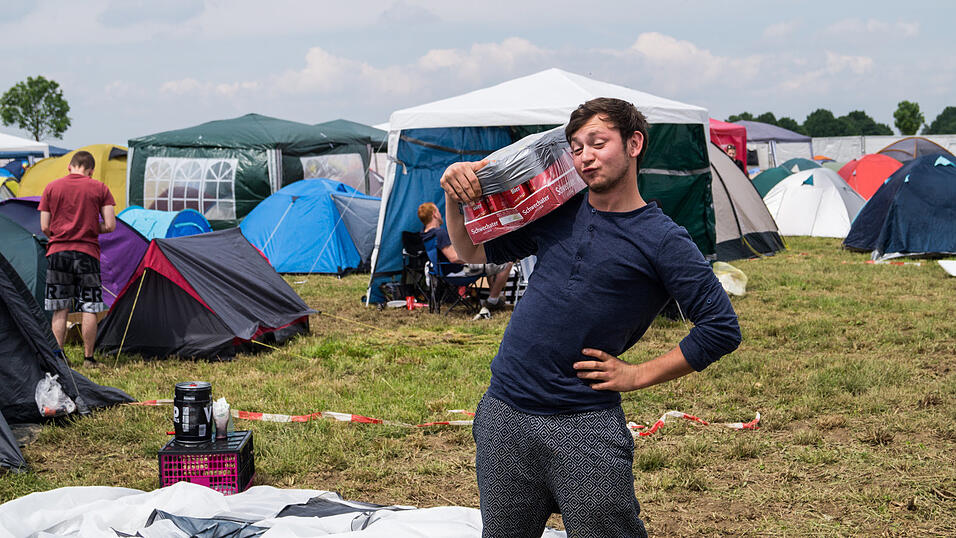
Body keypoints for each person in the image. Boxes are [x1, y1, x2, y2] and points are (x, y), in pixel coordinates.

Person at [440, 98, 741, 537]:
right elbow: (470, 251)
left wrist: (637, 376)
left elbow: (720, 328)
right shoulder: (557, 211)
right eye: (576, 147)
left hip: (584, 427)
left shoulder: (664, 240)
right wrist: (452, 199)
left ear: (633, 143)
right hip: (504, 411)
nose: (585, 157)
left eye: (597, 143)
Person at [39, 151, 116, 368]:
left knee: (60, 307)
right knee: (90, 307)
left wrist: (59, 235)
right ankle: (89, 359)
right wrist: (89, 227)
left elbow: (45, 225)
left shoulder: (51, 187)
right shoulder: (99, 188)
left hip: (58, 252)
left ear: (70, 167)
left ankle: (58, 359)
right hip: (87, 253)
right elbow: (110, 225)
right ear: (91, 171)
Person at [417, 201, 513, 310]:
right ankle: (493, 300)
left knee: (489, 263)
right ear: (434, 214)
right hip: (459, 272)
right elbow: (453, 258)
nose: (440, 214)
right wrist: (471, 255)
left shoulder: (426, 234)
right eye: (438, 211)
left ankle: (492, 298)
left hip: (444, 272)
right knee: (506, 263)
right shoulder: (439, 233)